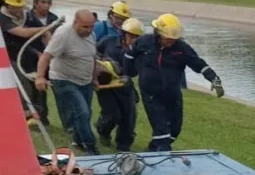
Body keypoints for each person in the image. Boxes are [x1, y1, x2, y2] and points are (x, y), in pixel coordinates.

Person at [125, 13, 224, 152]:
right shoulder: (144, 42)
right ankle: (164, 160)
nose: (170, 41)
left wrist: (213, 78)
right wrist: (128, 73)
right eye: (168, 38)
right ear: (158, 33)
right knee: (162, 133)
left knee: (174, 130)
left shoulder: (182, 48)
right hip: (151, 95)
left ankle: (153, 149)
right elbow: (129, 55)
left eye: (173, 39)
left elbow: (198, 63)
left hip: (173, 95)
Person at [35, 10, 100, 155]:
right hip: (64, 80)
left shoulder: (92, 35)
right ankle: (91, 146)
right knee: (82, 112)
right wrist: (40, 77)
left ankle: (78, 139)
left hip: (85, 81)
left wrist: (94, 78)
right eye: (85, 27)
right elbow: (46, 56)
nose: (89, 30)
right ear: (75, 22)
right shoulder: (63, 34)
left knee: (85, 113)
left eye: (91, 26)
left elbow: (92, 58)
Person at [95, 18, 144, 152]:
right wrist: (103, 62)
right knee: (112, 114)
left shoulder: (139, 51)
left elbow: (136, 70)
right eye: (131, 35)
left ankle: (124, 146)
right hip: (106, 85)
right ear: (124, 33)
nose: (133, 39)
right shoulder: (108, 41)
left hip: (124, 85)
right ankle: (103, 130)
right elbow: (93, 52)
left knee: (129, 117)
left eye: (137, 37)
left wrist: (127, 76)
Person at [22, 0, 61, 127]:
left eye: (49, 3)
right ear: (35, 3)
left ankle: (68, 123)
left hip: (53, 61)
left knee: (59, 90)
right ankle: (41, 120)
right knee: (38, 91)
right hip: (32, 60)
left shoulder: (55, 19)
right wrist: (36, 53)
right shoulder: (26, 18)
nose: (46, 6)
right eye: (43, 2)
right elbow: (21, 42)